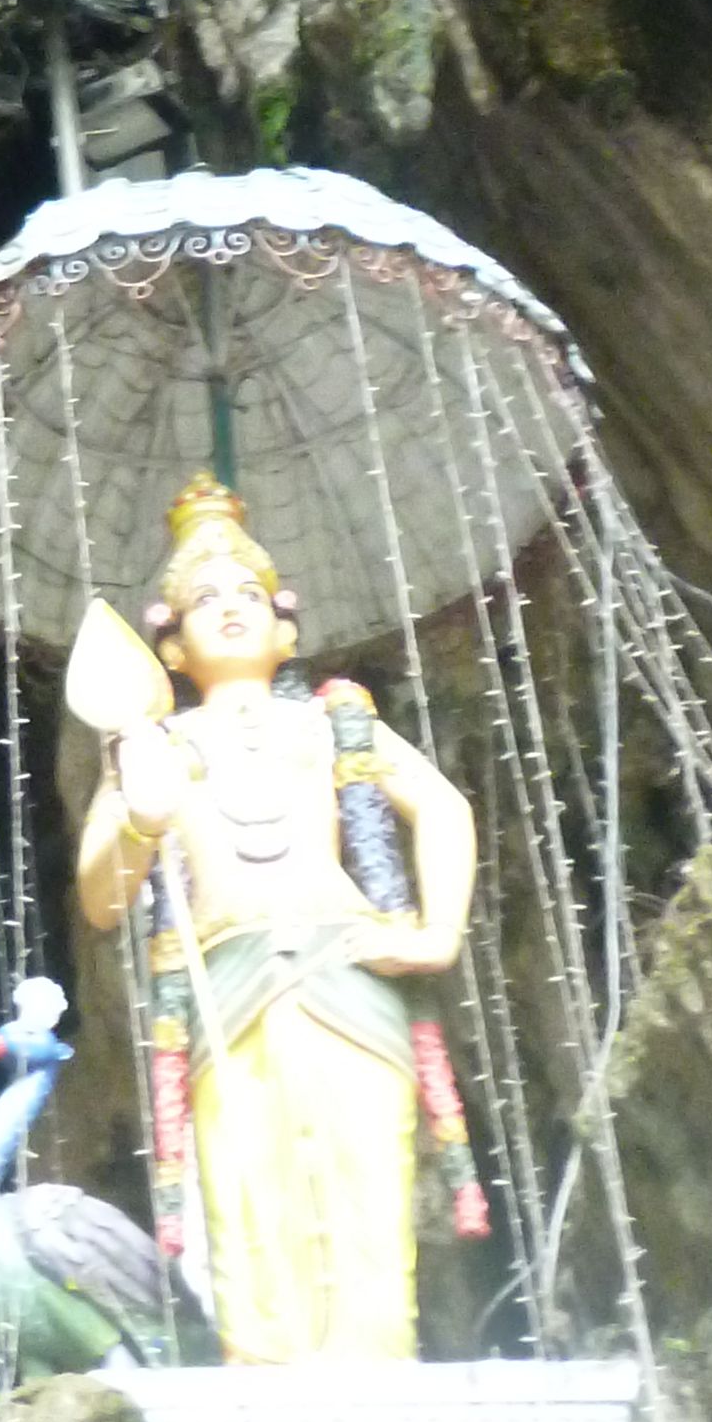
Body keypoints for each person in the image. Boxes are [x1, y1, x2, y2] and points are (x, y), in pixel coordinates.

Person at [72, 478, 474, 1363]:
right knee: (249, 1201)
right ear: (169, 645)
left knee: (369, 1188)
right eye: (203, 600)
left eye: (247, 596)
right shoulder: (156, 746)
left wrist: (435, 933)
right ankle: (265, 1378)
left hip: (348, 966)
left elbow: (442, 810)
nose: (228, 610)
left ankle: (379, 1373)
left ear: (285, 628)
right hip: (229, 983)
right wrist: (142, 815)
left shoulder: (331, 722)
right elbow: (101, 899)